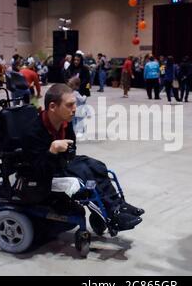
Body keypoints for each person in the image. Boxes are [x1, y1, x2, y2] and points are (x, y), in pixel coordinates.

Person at [21, 84, 143, 230]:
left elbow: (71, 150)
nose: (74, 109)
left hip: (60, 161)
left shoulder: (65, 124)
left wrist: (64, 154)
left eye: (75, 104)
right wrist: (53, 150)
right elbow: (37, 170)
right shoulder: (33, 131)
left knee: (97, 166)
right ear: (53, 106)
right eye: (70, 105)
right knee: (84, 173)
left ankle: (118, 205)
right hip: (42, 172)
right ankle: (112, 214)